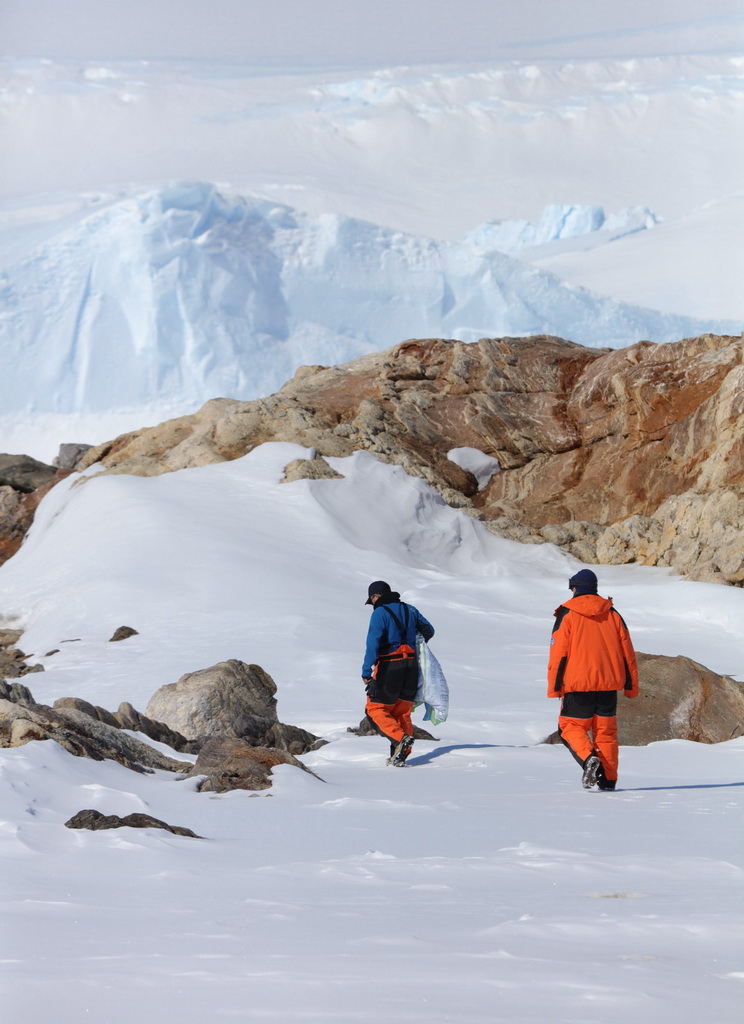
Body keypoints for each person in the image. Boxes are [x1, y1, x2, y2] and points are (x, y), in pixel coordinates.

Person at [547, 569, 638, 791]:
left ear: (575, 588)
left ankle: (589, 760)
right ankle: (607, 782)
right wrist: (631, 687)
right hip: (608, 685)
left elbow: (558, 653)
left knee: (569, 728)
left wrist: (554, 687)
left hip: (577, 684)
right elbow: (628, 652)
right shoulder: (613, 613)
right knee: (606, 734)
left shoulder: (567, 613)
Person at [362, 580, 435, 766]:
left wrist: (366, 671)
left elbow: (373, 644)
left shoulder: (380, 613)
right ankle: (401, 754)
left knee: (375, 709)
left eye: (372, 600)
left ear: (375, 596)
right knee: (401, 712)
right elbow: (429, 630)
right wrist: (413, 645)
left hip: (389, 666)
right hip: (411, 666)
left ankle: (401, 739)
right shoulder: (410, 610)